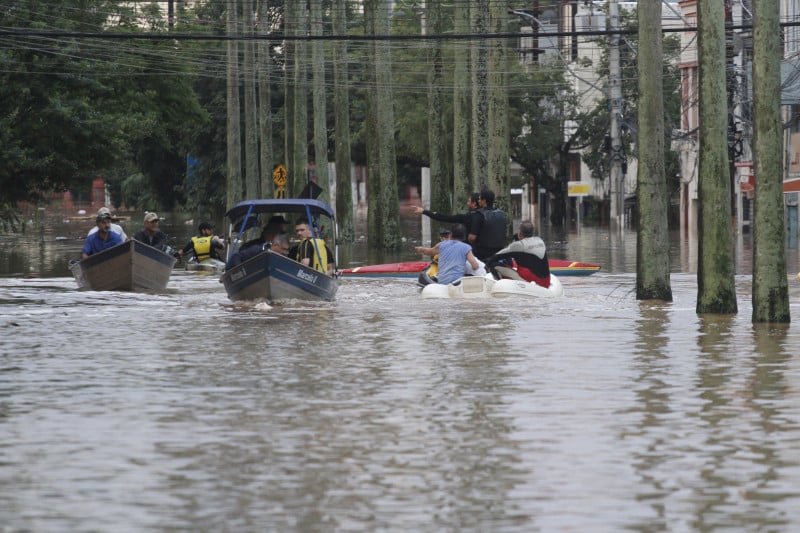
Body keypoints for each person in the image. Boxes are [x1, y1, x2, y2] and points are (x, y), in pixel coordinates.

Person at [486, 220, 551, 288]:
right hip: (546, 282)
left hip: (531, 282)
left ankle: (499, 287)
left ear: (520, 232)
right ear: (532, 232)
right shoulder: (540, 240)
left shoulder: (518, 245)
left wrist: (486, 266)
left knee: (493, 265)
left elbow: (496, 256)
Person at [414, 228, 486, 279]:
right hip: (475, 274)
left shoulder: (442, 245)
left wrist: (420, 249)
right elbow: (475, 265)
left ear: (450, 236)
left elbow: (429, 251)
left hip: (469, 275)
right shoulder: (465, 247)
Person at [412, 192, 482, 239]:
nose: (467, 203)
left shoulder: (468, 217)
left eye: (469, 201)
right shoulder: (486, 213)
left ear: (474, 203)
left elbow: (445, 218)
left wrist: (423, 211)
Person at [470, 188, 508, 260]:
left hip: (482, 253)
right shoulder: (502, 214)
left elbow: (472, 238)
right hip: (499, 251)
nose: (478, 201)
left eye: (479, 199)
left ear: (484, 200)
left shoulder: (478, 215)